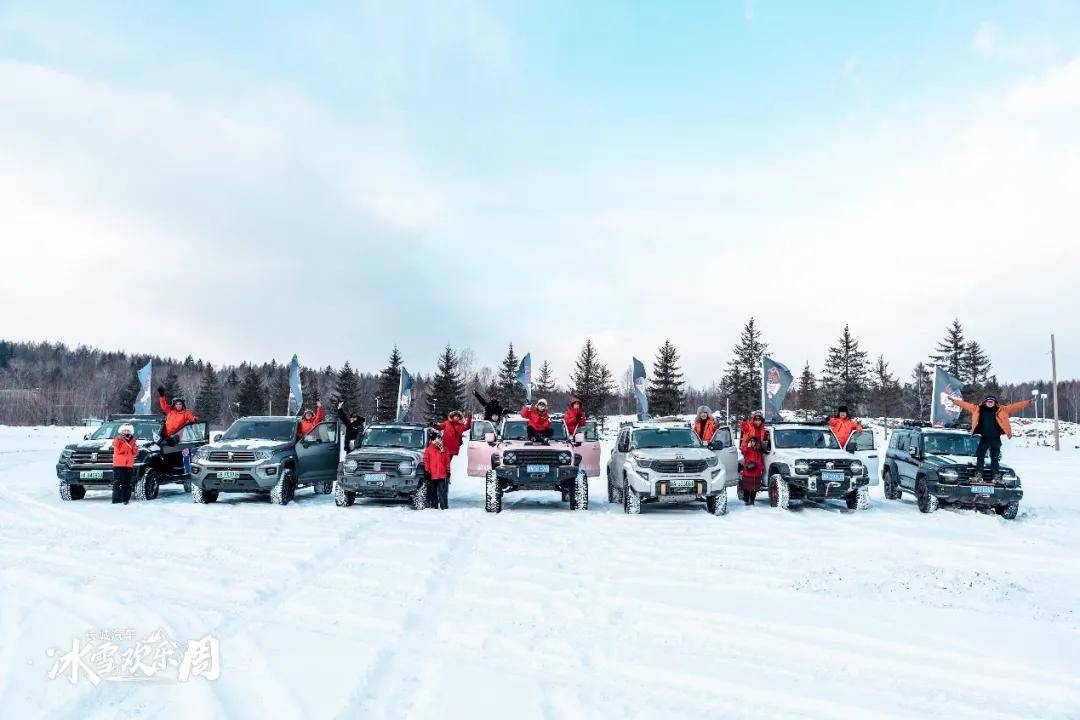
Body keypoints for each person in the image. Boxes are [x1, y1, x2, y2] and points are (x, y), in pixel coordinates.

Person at [948, 394, 1031, 478]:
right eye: (989, 401)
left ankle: (996, 474)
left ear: (995, 403)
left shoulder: (1002, 409)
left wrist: (1028, 402)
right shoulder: (978, 409)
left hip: (995, 438)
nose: (990, 403)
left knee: (994, 457)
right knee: (980, 455)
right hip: (984, 437)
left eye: (992, 402)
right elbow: (965, 405)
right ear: (985, 402)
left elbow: (1015, 406)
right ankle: (979, 473)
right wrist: (954, 401)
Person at [423, 432, 451, 510]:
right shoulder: (428, 450)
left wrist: (448, 471)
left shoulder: (444, 449)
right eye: (437, 438)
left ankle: (444, 507)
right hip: (432, 474)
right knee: (433, 491)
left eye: (440, 438)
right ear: (433, 440)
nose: (439, 440)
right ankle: (434, 506)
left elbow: (447, 461)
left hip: (442, 474)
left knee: (442, 492)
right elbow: (426, 461)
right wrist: (427, 471)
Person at [111, 423, 138, 505]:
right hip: (119, 465)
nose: (126, 432)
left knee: (127, 483)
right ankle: (116, 500)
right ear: (121, 431)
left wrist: (135, 448)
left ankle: (126, 499)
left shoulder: (133, 440)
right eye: (125, 430)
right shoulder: (118, 439)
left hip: (129, 465)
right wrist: (123, 441)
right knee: (118, 483)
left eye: (128, 430)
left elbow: (135, 453)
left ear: (131, 432)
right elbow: (116, 447)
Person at [739, 436, 765, 506]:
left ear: (756, 442)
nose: (752, 443)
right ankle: (746, 501)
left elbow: (761, 460)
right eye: (751, 441)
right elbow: (742, 451)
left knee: (754, 489)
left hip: (756, 472)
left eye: (753, 441)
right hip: (748, 471)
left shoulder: (759, 451)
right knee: (746, 488)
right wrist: (747, 446)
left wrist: (760, 467)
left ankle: (752, 501)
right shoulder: (747, 450)